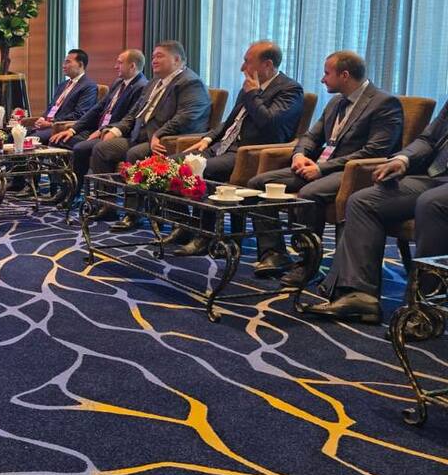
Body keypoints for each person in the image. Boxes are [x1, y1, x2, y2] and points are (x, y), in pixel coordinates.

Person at [249, 51, 403, 280]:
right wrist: (299, 155)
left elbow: (375, 152)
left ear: (345, 75)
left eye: (327, 73)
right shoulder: (336, 101)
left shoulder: (384, 103)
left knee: (310, 193)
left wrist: (322, 169)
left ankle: (308, 264)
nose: (322, 79)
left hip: (353, 172)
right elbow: (311, 136)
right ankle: (275, 253)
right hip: (320, 167)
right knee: (258, 183)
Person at [309, 101, 448, 322]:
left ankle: (425, 310)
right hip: (435, 176)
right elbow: (428, 139)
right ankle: (360, 295)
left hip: (437, 193)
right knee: (363, 201)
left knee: (430, 204)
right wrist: (403, 159)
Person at [168, 41, 304, 256]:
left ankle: (204, 236)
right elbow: (230, 121)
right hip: (223, 146)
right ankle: (185, 225)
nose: (242, 68)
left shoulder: (290, 90)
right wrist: (208, 138)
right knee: (168, 166)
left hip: (248, 154)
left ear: (267, 65)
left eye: (247, 62)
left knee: (199, 169)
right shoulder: (249, 87)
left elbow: (271, 124)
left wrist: (253, 95)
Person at [89, 41, 211, 228]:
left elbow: (187, 116)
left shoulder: (190, 82)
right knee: (102, 149)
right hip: (140, 135)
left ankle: (134, 213)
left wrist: (160, 134)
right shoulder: (154, 82)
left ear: (176, 59)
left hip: (167, 141)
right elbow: (135, 112)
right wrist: (116, 129)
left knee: (135, 154)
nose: (153, 60)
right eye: (153, 56)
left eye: (159, 56)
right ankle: (107, 205)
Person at [50, 49, 148, 181]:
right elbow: (97, 109)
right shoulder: (118, 82)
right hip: (97, 130)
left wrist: (102, 130)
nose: (115, 66)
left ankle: (78, 190)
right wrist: (73, 130)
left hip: (115, 134)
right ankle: (61, 187)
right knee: (58, 141)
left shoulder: (141, 87)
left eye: (120, 63)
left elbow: (129, 119)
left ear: (132, 66)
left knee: (80, 148)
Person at [32, 49, 99, 137]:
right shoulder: (62, 85)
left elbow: (80, 114)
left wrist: (52, 123)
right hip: (47, 125)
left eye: (68, 62)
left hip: (61, 128)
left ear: (80, 64)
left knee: (31, 138)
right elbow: (52, 106)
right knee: (17, 134)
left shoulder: (89, 86)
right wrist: (42, 118)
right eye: (64, 62)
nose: (63, 65)